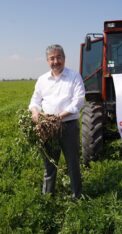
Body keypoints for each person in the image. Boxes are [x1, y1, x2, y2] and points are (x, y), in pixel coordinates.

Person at [29, 44, 85, 198]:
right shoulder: (42, 80)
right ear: (47, 61)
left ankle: (77, 196)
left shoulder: (74, 76)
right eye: (52, 58)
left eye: (58, 57)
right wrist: (35, 113)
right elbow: (35, 101)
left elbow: (79, 101)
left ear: (64, 58)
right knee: (49, 164)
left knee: (72, 163)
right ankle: (48, 197)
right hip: (48, 128)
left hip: (68, 126)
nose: (56, 61)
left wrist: (59, 117)